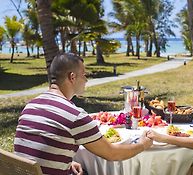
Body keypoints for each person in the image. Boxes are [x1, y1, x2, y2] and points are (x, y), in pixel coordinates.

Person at [14, 53, 152, 175]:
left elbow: (36, 148)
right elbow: (112, 154)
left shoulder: (31, 105)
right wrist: (143, 145)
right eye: (84, 75)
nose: (86, 80)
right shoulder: (74, 116)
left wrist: (67, 164)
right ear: (72, 77)